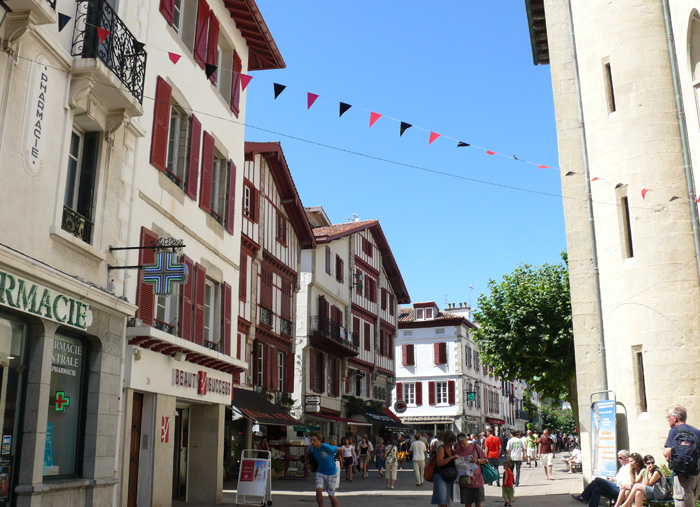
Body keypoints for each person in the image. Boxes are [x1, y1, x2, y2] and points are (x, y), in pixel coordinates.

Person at [664, 404, 700, 507]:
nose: (668, 420)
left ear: (674, 417)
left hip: (682, 476)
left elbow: (667, 454)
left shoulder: (674, 431)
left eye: (668, 417)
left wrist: (667, 440)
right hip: (696, 476)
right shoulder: (696, 431)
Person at [306, 431, 341, 507]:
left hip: (331, 473)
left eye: (314, 440)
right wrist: (307, 463)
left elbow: (340, 450)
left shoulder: (327, 447)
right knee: (318, 489)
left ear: (319, 440)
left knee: (331, 495)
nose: (312, 442)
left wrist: (335, 457)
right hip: (320, 472)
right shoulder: (311, 448)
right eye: (311, 440)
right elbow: (307, 453)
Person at [454, 432, 488, 507]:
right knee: (467, 503)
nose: (462, 446)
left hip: (477, 480)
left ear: (467, 440)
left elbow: (485, 460)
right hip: (464, 481)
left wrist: (477, 460)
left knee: (478, 502)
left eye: (464, 443)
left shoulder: (475, 447)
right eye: (460, 444)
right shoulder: (456, 451)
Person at [432, 431, 459, 507]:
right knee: (442, 500)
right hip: (440, 475)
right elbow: (439, 463)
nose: (452, 443)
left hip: (449, 476)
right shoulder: (441, 448)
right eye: (451, 441)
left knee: (446, 499)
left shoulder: (450, 449)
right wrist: (451, 458)